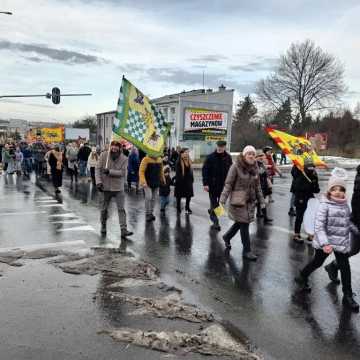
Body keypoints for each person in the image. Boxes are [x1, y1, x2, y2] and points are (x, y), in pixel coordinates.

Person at [295, 169, 359, 312]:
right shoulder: (325, 205)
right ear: (329, 191)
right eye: (334, 189)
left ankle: (347, 295)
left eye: (341, 189)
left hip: (340, 242)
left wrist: (356, 230)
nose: (338, 192)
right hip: (326, 244)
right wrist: (325, 243)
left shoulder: (345, 205)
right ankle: (302, 275)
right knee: (317, 262)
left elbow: (348, 223)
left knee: (345, 267)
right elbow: (319, 226)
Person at [220, 145, 265, 261]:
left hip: (250, 201)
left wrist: (262, 202)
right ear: (244, 155)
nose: (251, 156)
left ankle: (227, 236)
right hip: (238, 201)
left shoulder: (255, 168)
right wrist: (222, 201)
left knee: (240, 223)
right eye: (249, 154)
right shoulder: (235, 166)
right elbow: (228, 184)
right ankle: (247, 251)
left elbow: (258, 186)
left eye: (253, 154)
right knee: (244, 224)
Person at [324, 165, 360, 283]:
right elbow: (357, 201)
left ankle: (333, 266)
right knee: (353, 249)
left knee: (354, 249)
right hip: (358, 220)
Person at [95, 140, 133, 239]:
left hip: (118, 188)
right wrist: (98, 182)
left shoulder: (124, 158)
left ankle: (123, 229)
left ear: (120, 148)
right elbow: (97, 169)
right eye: (113, 146)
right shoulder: (104, 155)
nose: (114, 148)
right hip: (105, 187)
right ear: (110, 147)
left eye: (116, 147)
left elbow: (123, 173)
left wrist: (110, 171)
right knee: (104, 209)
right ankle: (103, 225)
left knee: (121, 209)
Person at [202, 140, 232, 231]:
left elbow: (231, 171)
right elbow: (205, 171)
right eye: (219, 146)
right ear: (217, 146)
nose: (220, 148)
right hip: (212, 185)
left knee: (221, 206)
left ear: (224, 147)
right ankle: (216, 222)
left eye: (222, 146)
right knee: (215, 205)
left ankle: (212, 212)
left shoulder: (228, 157)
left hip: (224, 186)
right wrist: (205, 184)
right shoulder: (210, 157)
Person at [292, 159, 320, 243]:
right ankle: (296, 234)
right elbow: (296, 187)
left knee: (310, 217)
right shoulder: (300, 174)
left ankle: (310, 234)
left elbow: (316, 190)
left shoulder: (314, 176)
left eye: (313, 168)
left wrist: (314, 185)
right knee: (299, 217)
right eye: (309, 168)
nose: (311, 169)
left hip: (310, 198)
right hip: (300, 198)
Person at [139, 153, 165, 222]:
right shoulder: (145, 159)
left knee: (154, 198)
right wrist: (143, 182)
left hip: (156, 182)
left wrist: (163, 179)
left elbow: (161, 171)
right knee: (148, 197)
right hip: (147, 183)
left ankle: (151, 213)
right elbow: (141, 171)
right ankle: (148, 213)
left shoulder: (160, 159)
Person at [255, 150, 273, 224]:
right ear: (256, 157)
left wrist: (269, 184)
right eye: (259, 156)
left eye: (262, 156)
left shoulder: (261, 164)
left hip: (263, 185)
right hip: (257, 186)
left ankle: (259, 213)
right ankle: (217, 218)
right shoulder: (254, 164)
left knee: (261, 201)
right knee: (261, 201)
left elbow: (265, 175)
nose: (261, 157)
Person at [174, 148, 194, 214]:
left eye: (188, 152)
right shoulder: (179, 161)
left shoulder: (189, 160)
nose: (187, 153)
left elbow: (191, 171)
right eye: (185, 152)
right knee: (179, 195)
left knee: (189, 195)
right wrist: (180, 180)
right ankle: (178, 207)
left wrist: (192, 178)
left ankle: (187, 207)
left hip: (188, 180)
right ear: (182, 153)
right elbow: (178, 173)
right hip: (181, 181)